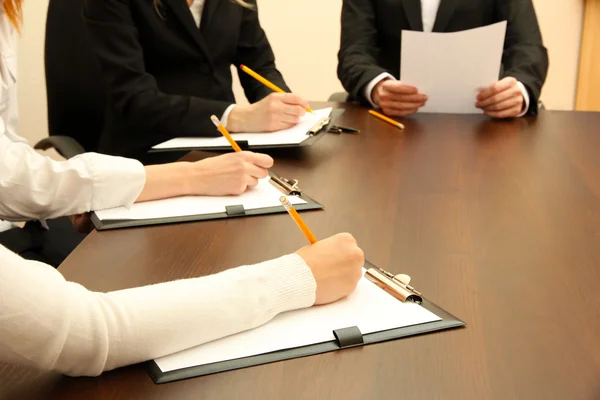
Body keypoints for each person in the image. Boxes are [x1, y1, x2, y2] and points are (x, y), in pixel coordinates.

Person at [0, 0, 365, 376]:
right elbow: (86, 333)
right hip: (146, 149)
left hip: (215, 155)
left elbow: (9, 169)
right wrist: (298, 279)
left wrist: (285, 117)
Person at [83, 0, 310, 164]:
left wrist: (282, 108)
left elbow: (259, 66)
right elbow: (134, 98)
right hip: (146, 157)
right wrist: (234, 116)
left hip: (224, 151)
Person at [337, 0, 549, 119]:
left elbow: (528, 46)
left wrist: (519, 91)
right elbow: (353, 52)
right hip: (387, 123)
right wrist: (377, 88)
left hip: (481, 123)